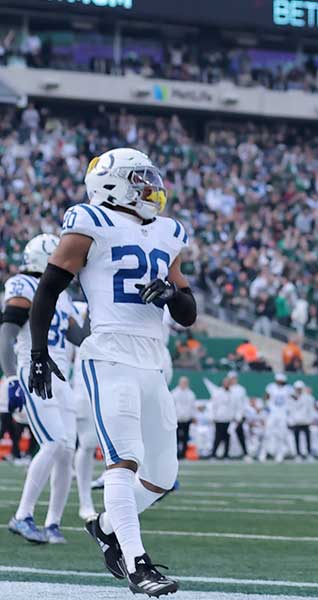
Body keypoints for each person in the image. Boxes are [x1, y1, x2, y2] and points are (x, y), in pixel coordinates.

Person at [26, 147, 195, 595]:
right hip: (108, 354)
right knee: (124, 459)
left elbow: (189, 311)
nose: (149, 186)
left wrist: (171, 296)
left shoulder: (168, 231)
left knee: (161, 475)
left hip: (152, 359)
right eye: (138, 178)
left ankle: (104, 526)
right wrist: (39, 352)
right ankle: (139, 566)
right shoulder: (89, 221)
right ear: (112, 183)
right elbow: (47, 290)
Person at [3, 234, 88, 544]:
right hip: (35, 372)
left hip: (61, 378)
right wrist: (12, 378)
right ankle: (23, 515)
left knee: (66, 451)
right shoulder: (22, 284)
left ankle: (53, 523)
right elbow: (7, 334)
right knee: (52, 443)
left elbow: (80, 337)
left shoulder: (62, 296)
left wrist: (96, 301)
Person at [204, 374, 238, 460]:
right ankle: (213, 454)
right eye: (225, 382)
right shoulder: (217, 392)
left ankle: (226, 455)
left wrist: (235, 416)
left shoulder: (233, 394)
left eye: (228, 382)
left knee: (227, 437)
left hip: (229, 418)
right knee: (218, 436)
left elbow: (235, 406)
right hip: (219, 418)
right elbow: (213, 405)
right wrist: (213, 416)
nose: (227, 384)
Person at [288, 380, 314, 462]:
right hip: (296, 422)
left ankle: (309, 454)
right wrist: (290, 420)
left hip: (305, 421)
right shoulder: (291, 398)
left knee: (308, 439)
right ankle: (298, 455)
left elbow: (310, 410)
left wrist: (310, 419)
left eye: (300, 388)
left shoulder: (308, 398)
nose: (298, 390)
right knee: (296, 439)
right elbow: (290, 410)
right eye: (297, 388)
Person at [172, 376, 196, 459]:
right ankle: (175, 453)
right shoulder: (174, 393)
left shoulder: (190, 394)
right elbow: (172, 406)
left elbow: (192, 406)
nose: (184, 384)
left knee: (185, 437)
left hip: (186, 419)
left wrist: (193, 416)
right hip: (177, 419)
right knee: (176, 437)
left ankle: (183, 454)